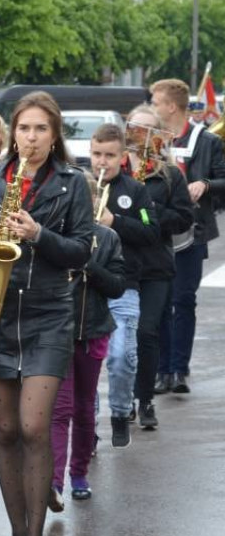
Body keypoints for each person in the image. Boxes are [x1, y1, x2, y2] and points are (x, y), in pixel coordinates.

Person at [0, 91, 93, 536]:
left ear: (53, 135)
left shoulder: (74, 184)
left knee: (35, 428)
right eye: (24, 129)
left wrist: (38, 234)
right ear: (12, 133)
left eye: (40, 130)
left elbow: (81, 250)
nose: (30, 138)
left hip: (48, 316)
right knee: (6, 431)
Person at [50, 171, 125, 509]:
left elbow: (117, 286)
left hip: (93, 331)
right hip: (59, 331)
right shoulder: (56, 234)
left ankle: (79, 474)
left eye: (88, 198)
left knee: (83, 409)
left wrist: (89, 266)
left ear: (96, 201)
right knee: (60, 408)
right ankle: (54, 482)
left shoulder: (108, 238)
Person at [150, 79, 225, 394]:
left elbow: (223, 178)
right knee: (160, 303)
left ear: (170, 106)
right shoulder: (150, 140)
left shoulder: (206, 140)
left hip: (191, 232)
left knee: (183, 299)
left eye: (155, 102)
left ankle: (179, 369)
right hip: (156, 233)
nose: (153, 108)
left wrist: (205, 184)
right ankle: (162, 369)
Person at [123, 106, 195, 426]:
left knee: (146, 332)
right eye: (136, 128)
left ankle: (145, 399)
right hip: (119, 265)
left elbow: (183, 218)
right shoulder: (116, 167)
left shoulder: (170, 174)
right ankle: (124, 398)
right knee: (121, 337)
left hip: (155, 266)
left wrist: (150, 213)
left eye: (149, 130)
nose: (142, 135)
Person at [89, 123, 159, 449]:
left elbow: (151, 231)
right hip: (86, 287)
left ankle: (120, 413)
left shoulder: (135, 191)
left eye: (109, 156)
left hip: (124, 285)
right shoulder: (81, 185)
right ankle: (87, 424)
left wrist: (114, 221)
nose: (102, 162)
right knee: (85, 363)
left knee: (119, 357)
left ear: (122, 156)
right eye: (97, 154)